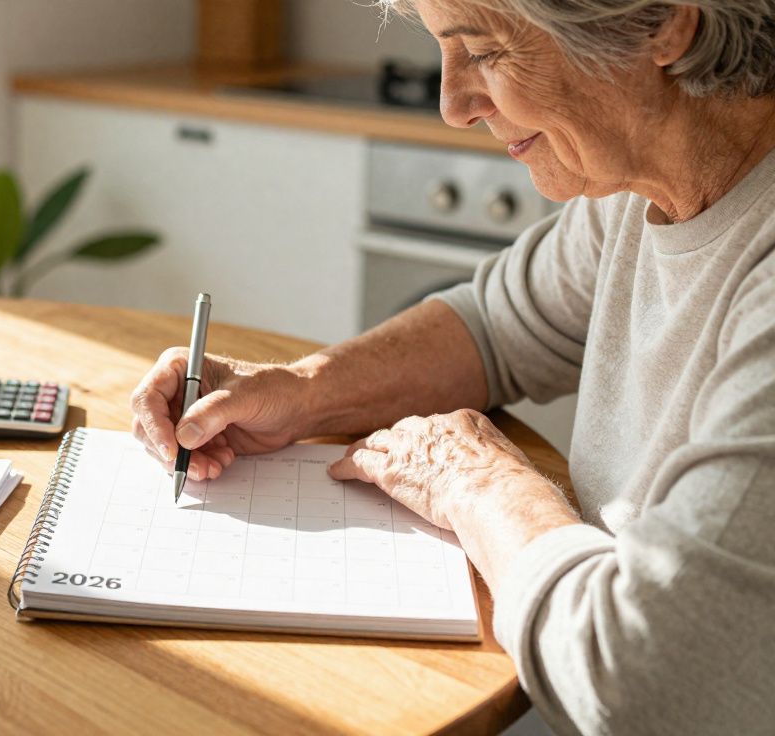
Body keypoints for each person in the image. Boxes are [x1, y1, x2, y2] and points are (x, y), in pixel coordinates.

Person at [129, 0, 775, 733]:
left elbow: (650, 682)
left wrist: (484, 487)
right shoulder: (642, 181)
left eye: (486, 51)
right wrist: (299, 389)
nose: (453, 104)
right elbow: (494, 327)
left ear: (661, 24)